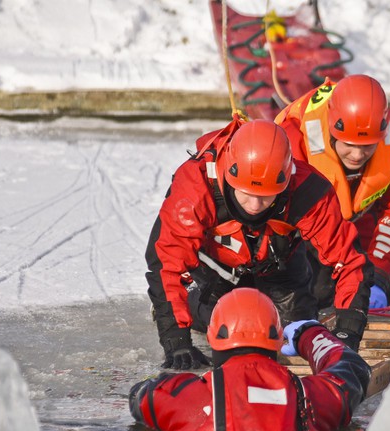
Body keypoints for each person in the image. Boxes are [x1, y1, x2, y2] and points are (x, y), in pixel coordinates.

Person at [145, 117, 373, 370]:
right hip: (217, 270)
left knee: (296, 324)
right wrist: (176, 340)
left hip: (278, 264)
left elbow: (349, 259)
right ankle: (188, 303)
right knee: (233, 324)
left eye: (266, 196)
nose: (255, 206)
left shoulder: (308, 190)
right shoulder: (195, 186)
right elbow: (167, 263)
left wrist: (347, 332)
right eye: (247, 193)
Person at [129, 288, 371, 431]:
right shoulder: (308, 397)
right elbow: (353, 370)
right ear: (277, 340)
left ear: (214, 338)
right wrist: (310, 335)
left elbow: (141, 396)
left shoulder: (191, 398)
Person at [275, 74, 390, 310]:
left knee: (369, 283)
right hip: (305, 230)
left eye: (367, 146)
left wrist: (378, 271)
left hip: (360, 222)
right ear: (331, 128)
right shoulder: (293, 140)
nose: (357, 156)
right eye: (348, 144)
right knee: (310, 292)